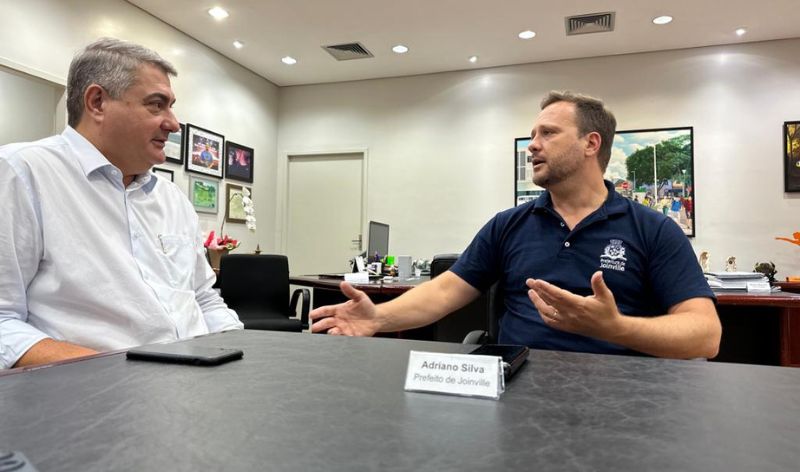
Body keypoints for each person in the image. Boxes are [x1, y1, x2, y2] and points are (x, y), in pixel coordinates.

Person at [311, 91, 721, 359]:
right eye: (532, 134)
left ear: (591, 144)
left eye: (548, 133)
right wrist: (377, 318)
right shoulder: (508, 225)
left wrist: (616, 328)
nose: (533, 145)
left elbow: (706, 335)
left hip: (623, 395)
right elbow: (446, 290)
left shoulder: (653, 229)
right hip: (517, 385)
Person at [0, 38, 242, 369]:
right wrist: (115, 373)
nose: (174, 123)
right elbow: (3, 323)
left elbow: (203, 298)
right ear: (97, 102)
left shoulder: (172, 198)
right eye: (156, 105)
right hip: (91, 392)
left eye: (171, 106)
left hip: (196, 383)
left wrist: (244, 354)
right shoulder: (20, 173)